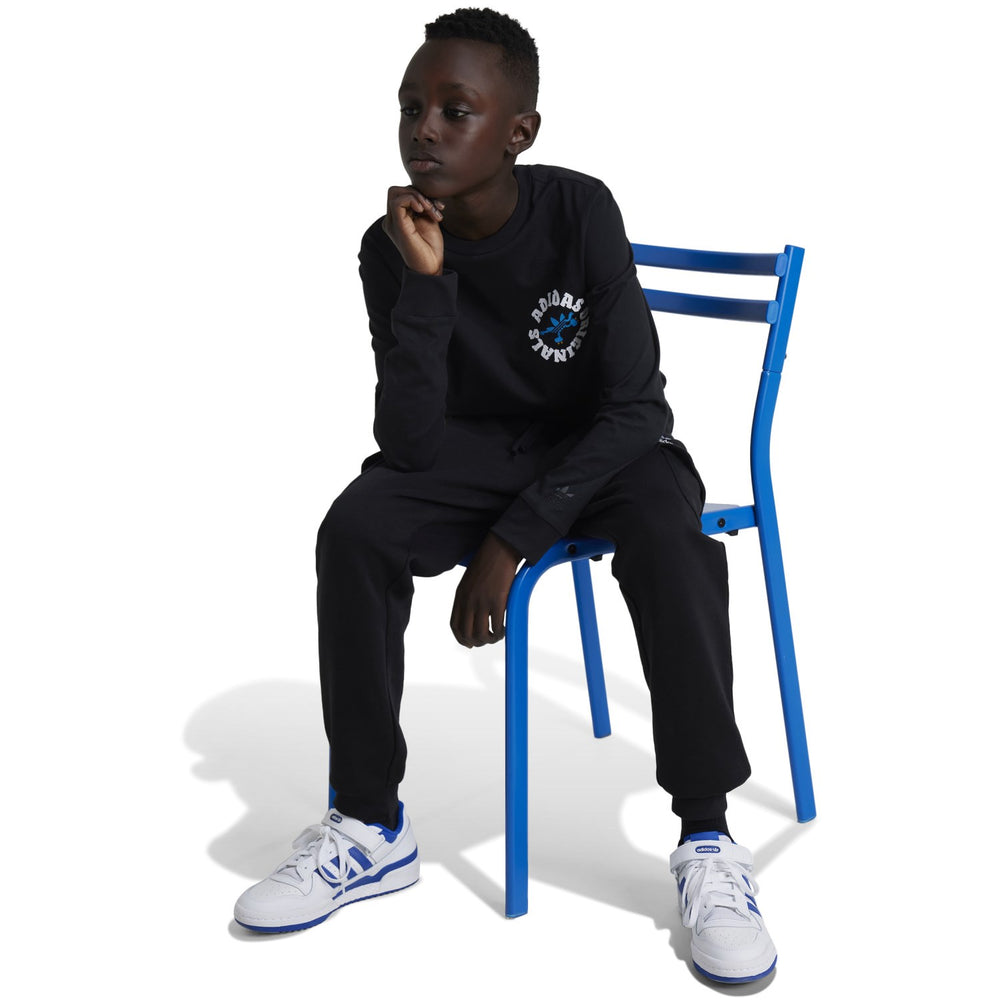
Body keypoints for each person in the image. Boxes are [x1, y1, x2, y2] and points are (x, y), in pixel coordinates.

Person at [234, 7, 777, 985]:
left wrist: (513, 539)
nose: (425, 130)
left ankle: (707, 837)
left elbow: (638, 406)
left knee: (670, 533)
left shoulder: (579, 210)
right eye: (411, 108)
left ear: (518, 132)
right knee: (356, 528)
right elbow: (407, 444)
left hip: (605, 449)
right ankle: (369, 823)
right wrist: (426, 284)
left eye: (456, 111)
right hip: (475, 452)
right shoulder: (389, 244)